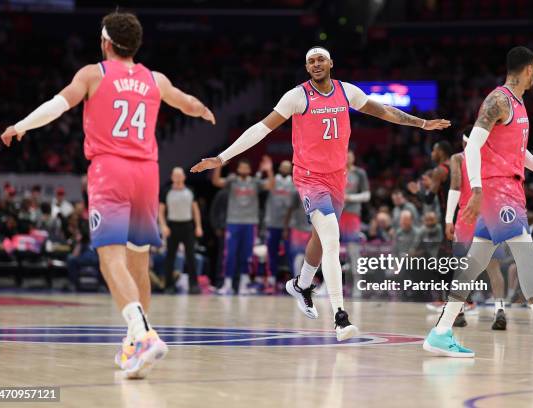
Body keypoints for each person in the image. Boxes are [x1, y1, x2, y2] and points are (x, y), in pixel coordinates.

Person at [0, 12, 215, 378]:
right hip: (147, 173)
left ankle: (143, 335)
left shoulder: (92, 74)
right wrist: (205, 111)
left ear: (106, 42)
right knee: (138, 263)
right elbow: (188, 103)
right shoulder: (154, 79)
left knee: (110, 259)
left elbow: (58, 104)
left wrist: (20, 126)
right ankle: (135, 343)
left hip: (110, 169)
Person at [191, 46, 450, 340]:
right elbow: (261, 129)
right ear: (306, 67)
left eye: (320, 60)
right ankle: (341, 317)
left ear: (330, 63)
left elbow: (384, 111)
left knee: (319, 237)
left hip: (337, 178)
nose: (315, 64)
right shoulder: (296, 96)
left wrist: (422, 123)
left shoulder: (346, 92)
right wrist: (222, 158)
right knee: (331, 237)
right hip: (309, 177)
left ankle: (301, 285)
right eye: (310, 61)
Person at [423, 46, 533, 360]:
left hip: (508, 189)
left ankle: (441, 331)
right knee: (527, 257)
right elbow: (471, 147)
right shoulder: (498, 100)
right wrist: (475, 189)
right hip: (497, 191)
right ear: (529, 69)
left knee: (473, 265)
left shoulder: (518, 103)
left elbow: (517, 152)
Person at [444, 128, 508, 330]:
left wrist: (448, 219)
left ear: (464, 144)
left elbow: (455, 186)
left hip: (466, 215)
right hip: (489, 216)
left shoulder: (458, 158)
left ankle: (459, 312)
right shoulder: (493, 157)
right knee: (493, 267)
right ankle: (500, 310)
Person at [212, 157, 274, 295]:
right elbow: (216, 181)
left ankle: (243, 285)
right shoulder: (232, 181)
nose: (244, 170)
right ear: (238, 169)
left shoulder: (255, 182)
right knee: (230, 254)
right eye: (242, 167)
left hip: (250, 223)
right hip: (233, 222)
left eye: (246, 168)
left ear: (250, 170)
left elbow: (270, 185)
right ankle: (227, 285)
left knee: (247, 255)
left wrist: (269, 171)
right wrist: (218, 166)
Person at [159, 167, 203, 294]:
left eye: (180, 176)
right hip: (172, 226)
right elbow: (160, 211)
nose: (178, 178)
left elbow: (195, 210)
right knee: (170, 257)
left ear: (184, 177)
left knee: (191, 256)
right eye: (175, 176)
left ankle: (193, 285)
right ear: (172, 177)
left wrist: (198, 226)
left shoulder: (190, 191)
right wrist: (163, 226)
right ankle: (169, 286)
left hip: (187, 226)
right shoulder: (166, 191)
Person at [341, 150, 370, 294]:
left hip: (352, 215)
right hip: (336, 214)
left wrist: (349, 198)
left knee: (353, 251)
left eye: (350, 155)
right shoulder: (337, 171)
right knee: (332, 250)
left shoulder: (360, 173)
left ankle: (358, 282)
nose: (347, 158)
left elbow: (366, 195)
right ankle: (329, 285)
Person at [264, 160, 294, 288]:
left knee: (291, 252)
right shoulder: (273, 181)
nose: (285, 169)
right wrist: (268, 170)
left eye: (288, 167)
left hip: (290, 224)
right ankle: (271, 279)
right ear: (279, 168)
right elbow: (266, 186)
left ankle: (293, 279)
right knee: (272, 252)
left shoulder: (294, 182)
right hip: (273, 222)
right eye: (283, 167)